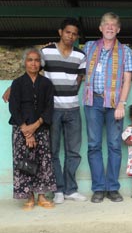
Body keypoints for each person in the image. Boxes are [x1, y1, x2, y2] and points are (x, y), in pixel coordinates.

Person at [3, 18, 88, 204]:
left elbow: (79, 78)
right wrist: (13, 86)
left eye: (74, 34)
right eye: (68, 32)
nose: (71, 36)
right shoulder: (46, 52)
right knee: (53, 151)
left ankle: (70, 190)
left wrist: (71, 91)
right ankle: (58, 189)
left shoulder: (81, 55)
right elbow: (32, 68)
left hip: (73, 108)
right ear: (60, 32)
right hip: (53, 110)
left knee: (74, 151)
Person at [83, 12, 132, 203]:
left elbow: (127, 80)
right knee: (93, 145)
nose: (110, 28)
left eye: (113, 25)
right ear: (100, 28)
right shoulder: (88, 47)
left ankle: (112, 188)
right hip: (92, 102)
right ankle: (98, 188)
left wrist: (122, 103)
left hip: (114, 104)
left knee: (114, 145)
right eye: (106, 24)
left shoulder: (125, 51)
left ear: (118, 29)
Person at [9, 48, 56, 210]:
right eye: (30, 60)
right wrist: (26, 131)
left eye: (37, 60)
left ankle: (42, 196)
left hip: (41, 129)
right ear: (25, 62)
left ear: (40, 63)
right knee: (25, 163)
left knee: (43, 162)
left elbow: (49, 108)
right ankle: (28, 197)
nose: (33, 63)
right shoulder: (17, 83)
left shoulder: (46, 84)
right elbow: (14, 108)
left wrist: (35, 127)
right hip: (21, 130)